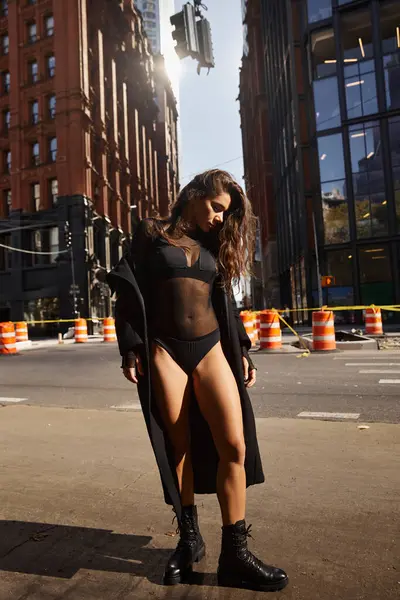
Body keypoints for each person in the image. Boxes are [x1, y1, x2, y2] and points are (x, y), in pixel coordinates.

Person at [107, 170, 288, 592]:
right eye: (216, 207)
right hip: (165, 349)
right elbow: (128, 292)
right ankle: (189, 541)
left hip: (211, 348)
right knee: (179, 447)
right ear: (194, 194)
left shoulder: (213, 244)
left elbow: (226, 299)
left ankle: (235, 554)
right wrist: (131, 346)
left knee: (235, 444)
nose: (220, 219)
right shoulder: (150, 232)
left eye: (226, 214)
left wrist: (240, 348)